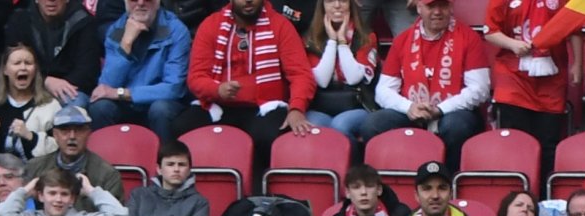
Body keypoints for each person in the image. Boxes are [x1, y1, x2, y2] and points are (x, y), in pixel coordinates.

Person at [181, 0, 318, 163]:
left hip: (264, 107)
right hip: (218, 104)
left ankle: (262, 187)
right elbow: (196, 77)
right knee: (182, 128)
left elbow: (301, 74)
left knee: (268, 136)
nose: (248, 1)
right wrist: (217, 89)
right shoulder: (211, 25)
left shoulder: (280, 25)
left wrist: (297, 108)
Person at [363, 0, 489, 167]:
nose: (437, 12)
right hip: (412, 110)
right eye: (431, 6)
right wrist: (409, 107)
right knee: (372, 124)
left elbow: (480, 89)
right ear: (419, 8)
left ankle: (447, 182)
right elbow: (383, 90)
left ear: (451, 8)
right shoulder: (403, 39)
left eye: (442, 6)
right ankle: (392, 183)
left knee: (455, 126)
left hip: (453, 111)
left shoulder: (469, 38)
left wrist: (441, 109)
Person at [90, 0, 192, 137]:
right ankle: (105, 157)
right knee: (100, 107)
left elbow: (174, 88)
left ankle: (165, 156)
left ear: (157, 2)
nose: (140, 3)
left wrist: (122, 93)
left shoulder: (176, 30)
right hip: (126, 105)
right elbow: (107, 85)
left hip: (159, 103)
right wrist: (126, 43)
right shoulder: (116, 30)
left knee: (160, 109)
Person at [481, 0, 566, 158]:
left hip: (551, 79)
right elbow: (491, 31)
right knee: (516, 141)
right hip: (513, 77)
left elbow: (573, 28)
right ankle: (519, 182)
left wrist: (578, 66)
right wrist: (513, 44)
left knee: (548, 143)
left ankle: (544, 183)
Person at [301, 0, 378, 141]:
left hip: (357, 105)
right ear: (322, 6)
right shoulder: (310, 39)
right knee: (313, 126)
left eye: (343, 0)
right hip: (321, 106)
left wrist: (342, 41)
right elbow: (322, 81)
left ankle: (351, 162)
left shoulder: (366, 37)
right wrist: (332, 40)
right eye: (330, 1)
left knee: (340, 126)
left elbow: (354, 78)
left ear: (350, 4)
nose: (337, 5)